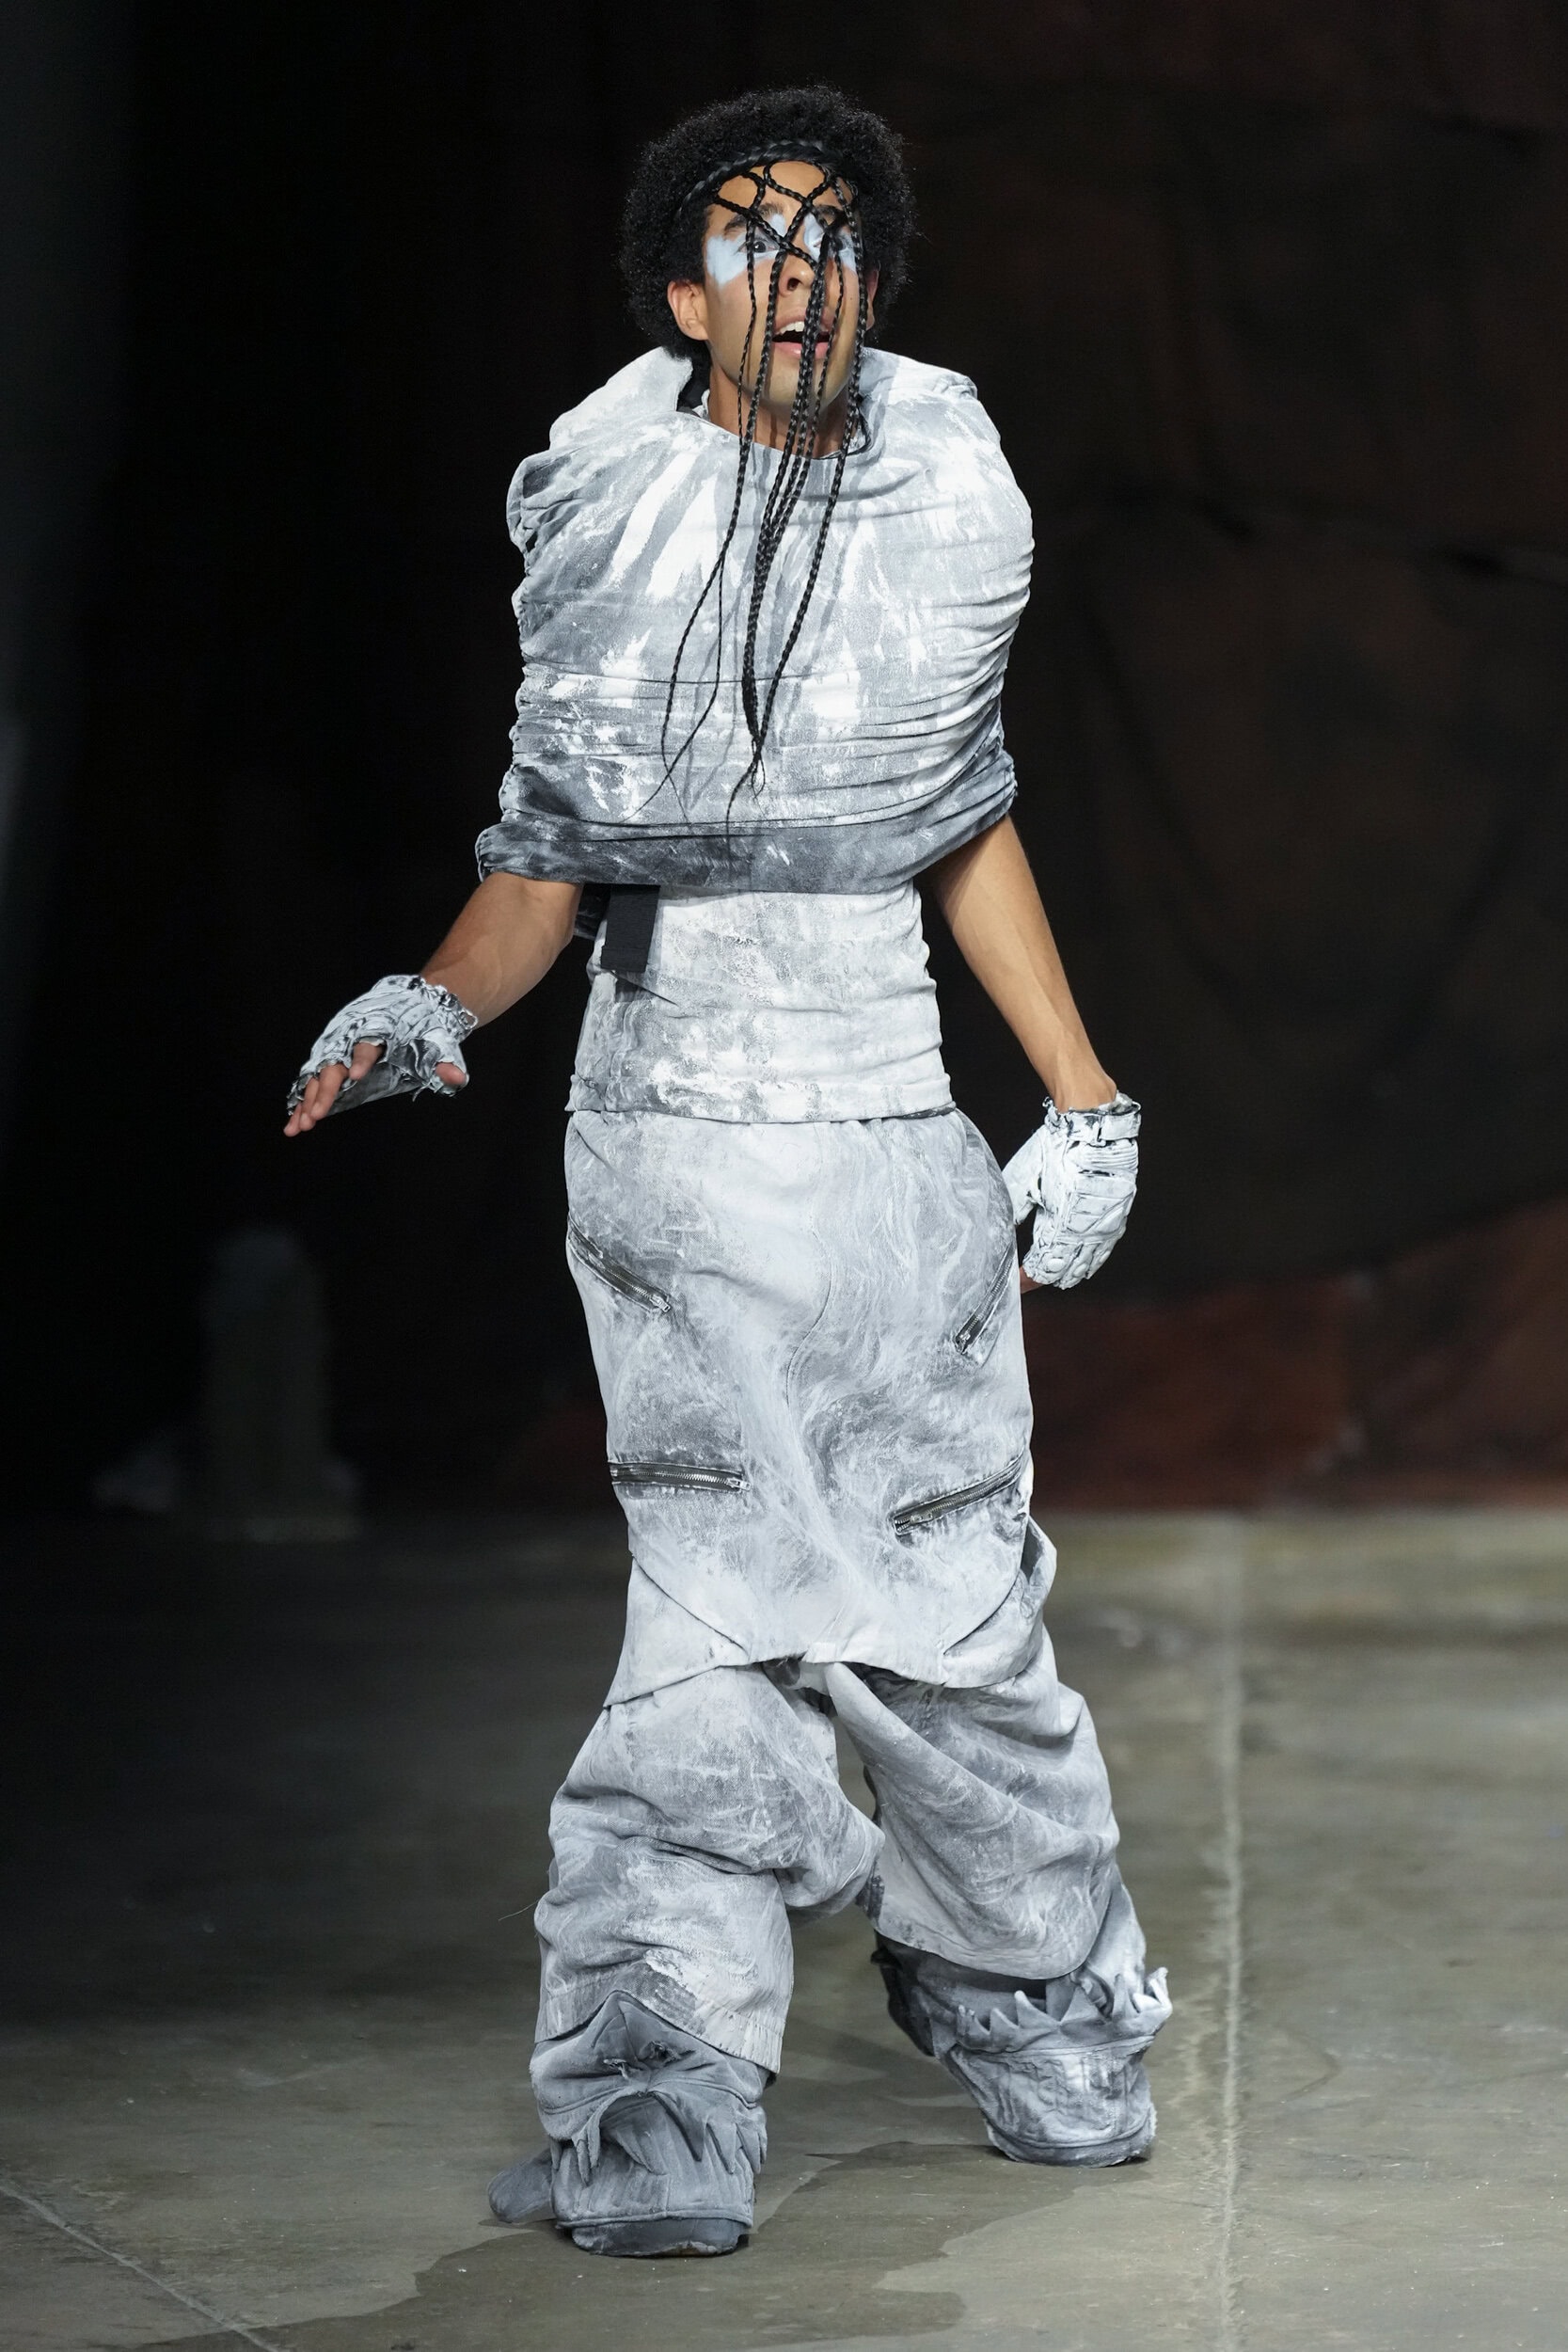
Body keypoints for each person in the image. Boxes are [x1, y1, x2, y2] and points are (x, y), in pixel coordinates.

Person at [286, 85, 1169, 2260]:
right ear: (684, 295)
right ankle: (662, 2107)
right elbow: (552, 857)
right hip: (676, 1147)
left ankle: (1044, 2011)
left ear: (875, 280)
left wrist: (1079, 1095)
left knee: (955, 1616)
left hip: (884, 1147)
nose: (803, 270)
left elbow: (957, 814)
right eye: (755, 237)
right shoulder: (616, 495)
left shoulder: (945, 478)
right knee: (707, 1630)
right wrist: (428, 1002)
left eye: (837, 234)